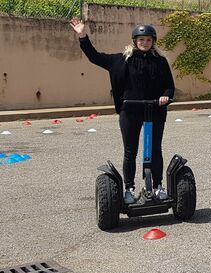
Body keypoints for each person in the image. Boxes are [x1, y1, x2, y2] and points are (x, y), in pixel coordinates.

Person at [70, 18, 175, 204]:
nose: (145, 43)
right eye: (141, 39)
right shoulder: (121, 60)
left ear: (153, 42)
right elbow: (95, 57)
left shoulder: (160, 62)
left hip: (155, 110)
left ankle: (157, 186)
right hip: (130, 110)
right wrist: (82, 36)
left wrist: (165, 96)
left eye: (149, 40)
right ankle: (129, 188)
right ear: (135, 41)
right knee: (130, 151)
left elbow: (169, 86)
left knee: (155, 149)